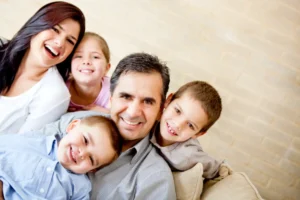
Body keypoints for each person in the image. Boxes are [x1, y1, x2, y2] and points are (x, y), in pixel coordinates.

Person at [20, 52, 176, 199]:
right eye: (126, 96)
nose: (133, 112)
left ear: (160, 110)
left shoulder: (155, 178)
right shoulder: (77, 122)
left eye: (148, 101)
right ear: (111, 98)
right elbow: (22, 148)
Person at [0, 1, 86, 134]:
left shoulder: (54, 94)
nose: (59, 42)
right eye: (55, 29)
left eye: (70, 41)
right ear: (38, 25)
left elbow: (19, 148)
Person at [0, 115, 122, 200]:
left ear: (91, 170)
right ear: (72, 127)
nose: (82, 153)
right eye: (85, 140)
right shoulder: (32, 140)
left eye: (91, 159)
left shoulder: (80, 188)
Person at [151, 81, 231, 179]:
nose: (178, 124)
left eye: (190, 125)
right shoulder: (148, 122)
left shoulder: (189, 156)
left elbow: (218, 170)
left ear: (198, 134)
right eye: (178, 111)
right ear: (168, 101)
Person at [67, 32, 111, 113]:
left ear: (106, 68)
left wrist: (105, 113)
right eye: (79, 56)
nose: (86, 61)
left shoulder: (113, 91)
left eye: (95, 57)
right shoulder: (62, 88)